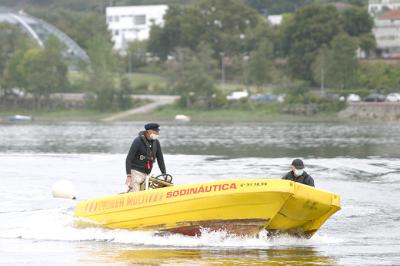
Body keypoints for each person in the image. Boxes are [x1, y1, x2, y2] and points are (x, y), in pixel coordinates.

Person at [125, 123, 166, 192]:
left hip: (147, 174)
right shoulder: (138, 141)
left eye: (158, 131)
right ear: (149, 131)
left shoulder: (156, 143)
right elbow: (129, 159)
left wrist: (164, 174)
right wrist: (129, 175)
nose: (158, 133)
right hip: (135, 172)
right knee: (135, 194)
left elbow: (160, 159)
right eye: (156, 131)